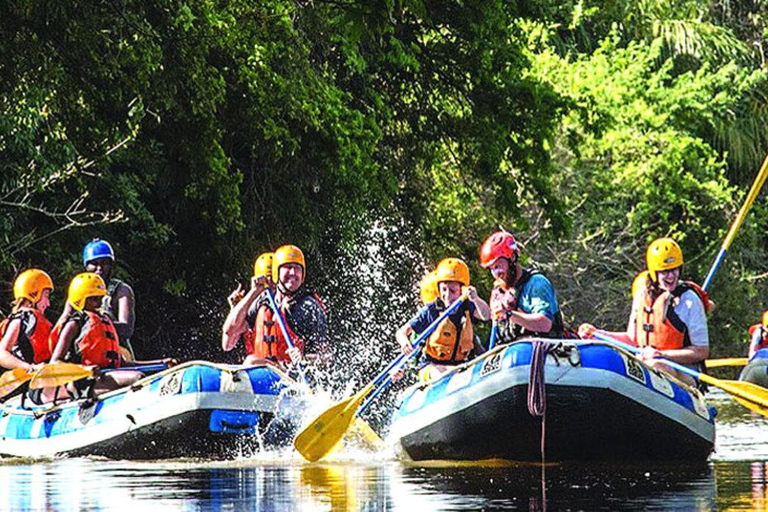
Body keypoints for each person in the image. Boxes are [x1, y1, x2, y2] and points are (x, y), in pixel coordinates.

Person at [580, 238, 710, 386]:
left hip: (684, 371)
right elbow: (632, 339)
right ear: (654, 273)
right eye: (665, 272)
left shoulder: (689, 301)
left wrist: (662, 355)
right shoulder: (642, 296)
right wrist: (599, 335)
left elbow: (701, 351)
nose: (671, 276)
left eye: (674, 270)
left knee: (655, 365)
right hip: (648, 364)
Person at [50, 273, 172, 395]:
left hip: (107, 375)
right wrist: (84, 369)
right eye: (94, 299)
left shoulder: (104, 320)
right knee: (137, 378)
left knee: (146, 376)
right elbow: (55, 363)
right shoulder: (74, 325)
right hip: (84, 382)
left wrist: (160, 363)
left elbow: (122, 363)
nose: (99, 303)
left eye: (100, 298)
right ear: (80, 300)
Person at [221, 245, 329, 370]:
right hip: (263, 374)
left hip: (291, 376)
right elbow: (228, 339)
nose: (293, 273)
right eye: (288, 267)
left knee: (251, 361)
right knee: (251, 361)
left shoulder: (309, 307)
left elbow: (326, 355)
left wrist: (303, 358)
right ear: (276, 272)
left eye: (297, 268)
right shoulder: (262, 303)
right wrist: (253, 293)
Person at [395, 257, 490, 382]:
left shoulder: (468, 306)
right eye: (444, 289)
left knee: (460, 372)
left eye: (453, 291)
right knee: (446, 374)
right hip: (431, 367)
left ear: (462, 290)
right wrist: (404, 342)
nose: (447, 295)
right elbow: (401, 332)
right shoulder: (432, 311)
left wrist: (476, 299)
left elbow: (487, 315)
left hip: (460, 366)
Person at [479, 230, 567, 343]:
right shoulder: (498, 290)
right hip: (509, 352)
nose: (496, 273)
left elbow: (545, 324)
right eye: (492, 268)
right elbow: (489, 318)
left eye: (498, 265)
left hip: (540, 351)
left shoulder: (537, 283)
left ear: (512, 259)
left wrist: (509, 314)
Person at [55, 240, 136, 360]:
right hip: (84, 350)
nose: (99, 268)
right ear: (86, 266)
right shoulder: (78, 289)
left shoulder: (121, 290)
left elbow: (127, 329)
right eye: (94, 264)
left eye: (104, 263)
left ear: (111, 264)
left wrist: (98, 327)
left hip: (117, 352)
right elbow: (64, 319)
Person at [0, 269, 54, 372]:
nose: (48, 303)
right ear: (33, 294)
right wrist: (30, 367)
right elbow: (1, 353)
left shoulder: (30, 319)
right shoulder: (22, 319)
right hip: (31, 379)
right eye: (46, 295)